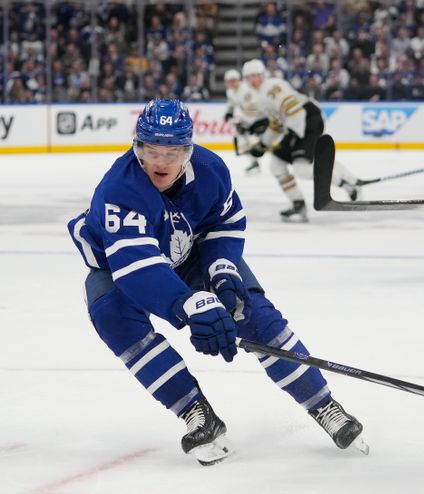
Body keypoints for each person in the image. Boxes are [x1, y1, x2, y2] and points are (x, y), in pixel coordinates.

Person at [67, 98, 368, 465]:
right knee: (112, 316)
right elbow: (139, 268)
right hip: (118, 268)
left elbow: (224, 225)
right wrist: (191, 304)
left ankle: (324, 405)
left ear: (188, 151)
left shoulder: (210, 170)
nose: (160, 162)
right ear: (137, 148)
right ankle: (195, 412)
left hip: (189, 252)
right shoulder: (120, 190)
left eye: (172, 151)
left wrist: (222, 270)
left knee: (251, 311)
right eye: (151, 150)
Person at [237, 58, 361, 222]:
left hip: (306, 120)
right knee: (276, 164)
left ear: (261, 75)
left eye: (253, 75)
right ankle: (298, 203)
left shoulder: (270, 86)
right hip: (298, 123)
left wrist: (295, 134)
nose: (251, 80)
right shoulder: (262, 95)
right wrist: (262, 145)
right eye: (248, 77)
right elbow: (277, 124)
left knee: (302, 168)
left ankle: (346, 184)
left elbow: (292, 107)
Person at [222, 68, 261, 175]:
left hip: (259, 115)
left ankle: (256, 159)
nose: (232, 83)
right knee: (241, 137)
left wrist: (246, 124)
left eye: (234, 80)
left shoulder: (246, 90)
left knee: (249, 138)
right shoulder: (230, 91)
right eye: (230, 81)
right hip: (249, 116)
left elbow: (253, 109)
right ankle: (254, 161)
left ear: (239, 80)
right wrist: (229, 112)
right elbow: (231, 104)